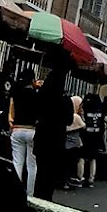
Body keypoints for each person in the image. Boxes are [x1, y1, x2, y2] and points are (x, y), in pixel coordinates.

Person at [34, 61, 74, 201]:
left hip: (42, 137)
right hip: (57, 139)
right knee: (51, 174)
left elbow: (36, 113)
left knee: (41, 172)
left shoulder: (42, 95)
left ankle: (37, 198)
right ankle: (47, 199)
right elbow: (69, 121)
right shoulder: (65, 100)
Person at [9, 69, 39, 195]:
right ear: (32, 80)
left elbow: (11, 110)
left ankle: (16, 192)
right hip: (32, 130)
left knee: (17, 162)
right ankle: (30, 194)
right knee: (31, 165)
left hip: (17, 128)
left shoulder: (16, 93)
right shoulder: (36, 95)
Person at [77, 93, 105, 188]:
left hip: (85, 136)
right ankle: (91, 179)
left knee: (82, 158)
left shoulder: (85, 108)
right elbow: (102, 127)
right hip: (96, 137)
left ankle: (80, 177)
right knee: (93, 158)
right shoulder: (100, 111)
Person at [65, 96, 86, 189]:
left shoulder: (66, 116)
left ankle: (65, 181)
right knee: (73, 163)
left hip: (66, 143)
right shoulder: (76, 117)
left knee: (66, 164)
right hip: (75, 144)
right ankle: (73, 180)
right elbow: (84, 127)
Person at [0, 59, 16, 134]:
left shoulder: (10, 79)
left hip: (5, 102)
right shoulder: (1, 76)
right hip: (2, 100)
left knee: (4, 116)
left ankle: (3, 129)